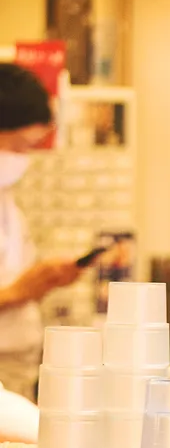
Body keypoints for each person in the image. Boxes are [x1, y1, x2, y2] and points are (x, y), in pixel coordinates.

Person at [0, 63, 84, 400]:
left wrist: (44, 281)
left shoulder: (7, 202)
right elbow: (12, 290)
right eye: (19, 147)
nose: (24, 159)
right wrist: (18, 292)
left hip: (18, 369)